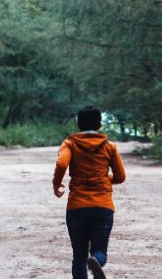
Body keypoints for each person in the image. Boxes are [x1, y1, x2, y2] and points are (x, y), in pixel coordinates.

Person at [53, 106, 126, 279]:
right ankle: (96, 260)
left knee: (79, 256)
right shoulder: (109, 146)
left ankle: (90, 261)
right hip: (102, 206)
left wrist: (57, 184)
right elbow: (121, 176)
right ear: (100, 124)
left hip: (77, 207)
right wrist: (105, 180)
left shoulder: (70, 144)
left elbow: (62, 164)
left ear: (79, 124)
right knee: (100, 251)